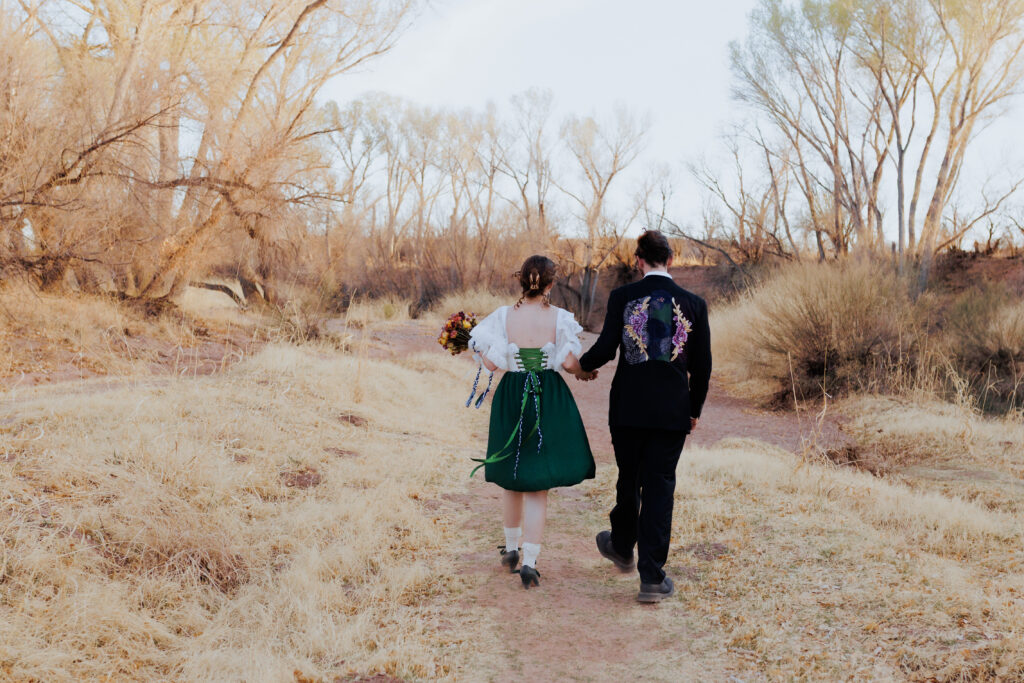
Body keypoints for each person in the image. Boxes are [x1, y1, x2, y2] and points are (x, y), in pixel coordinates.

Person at [579, 230, 711, 603]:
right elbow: (702, 366)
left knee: (629, 479)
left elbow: (605, 349)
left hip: (628, 410)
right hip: (671, 412)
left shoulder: (623, 297)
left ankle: (621, 545)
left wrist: (579, 366)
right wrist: (694, 409)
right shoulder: (693, 303)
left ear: (639, 261)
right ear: (670, 260)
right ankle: (651, 577)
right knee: (659, 487)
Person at [468, 255, 597, 589]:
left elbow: (491, 363)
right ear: (551, 285)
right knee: (537, 483)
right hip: (547, 396)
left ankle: (510, 549)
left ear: (520, 281)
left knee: (513, 475)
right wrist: (584, 372)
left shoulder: (501, 316)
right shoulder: (559, 318)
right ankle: (530, 562)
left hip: (512, 394)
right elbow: (568, 362)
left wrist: (470, 346)